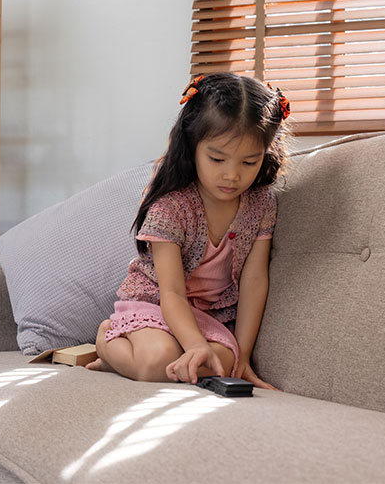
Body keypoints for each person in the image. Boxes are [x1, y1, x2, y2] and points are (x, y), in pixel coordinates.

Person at [86, 72, 292, 390]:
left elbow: (254, 280)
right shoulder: (172, 206)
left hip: (209, 318)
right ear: (193, 146)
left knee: (221, 365)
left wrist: (243, 358)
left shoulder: (261, 203)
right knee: (159, 362)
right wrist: (195, 345)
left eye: (249, 162)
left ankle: (159, 354)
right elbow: (171, 292)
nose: (232, 175)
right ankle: (106, 340)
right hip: (157, 303)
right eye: (217, 158)